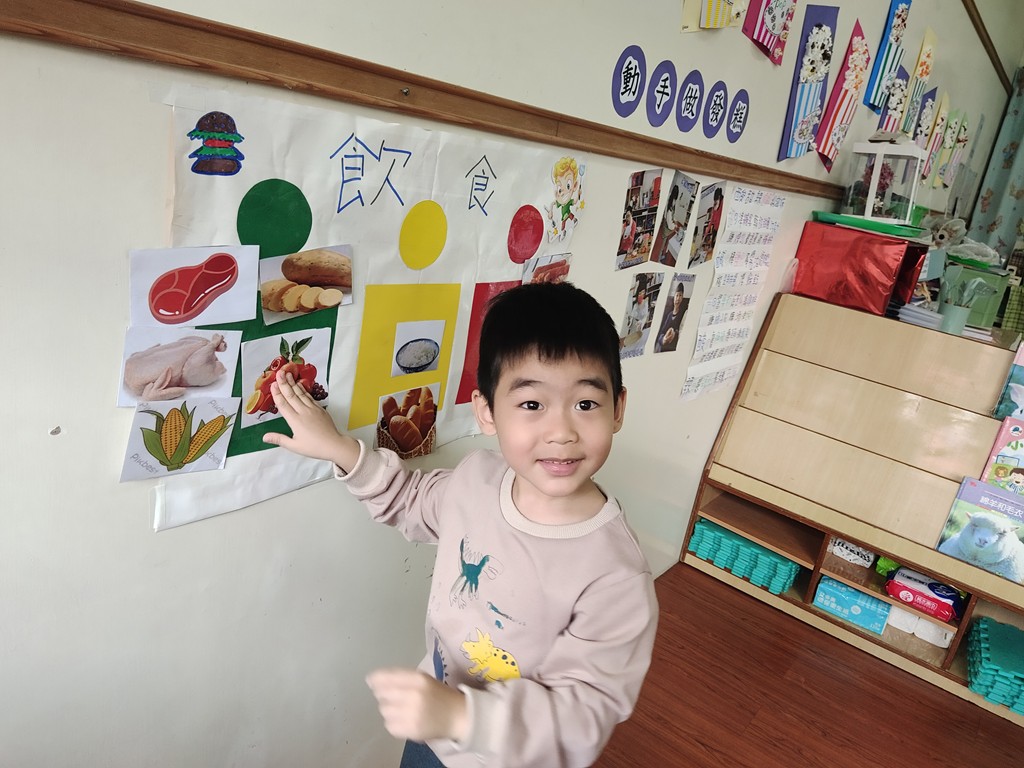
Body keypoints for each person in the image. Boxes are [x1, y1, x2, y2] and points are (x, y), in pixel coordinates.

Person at [263, 282, 658, 768]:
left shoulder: (616, 576)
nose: (562, 432)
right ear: (487, 412)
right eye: (532, 404)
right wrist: (338, 449)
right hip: (432, 726)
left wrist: (462, 717)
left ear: (618, 408)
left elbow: (582, 718)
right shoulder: (476, 480)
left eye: (586, 404)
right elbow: (408, 498)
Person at [655, 281, 688, 353]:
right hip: (663, 348)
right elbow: (661, 333)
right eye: (677, 295)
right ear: (674, 297)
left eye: (680, 295)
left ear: (682, 297)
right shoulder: (669, 315)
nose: (678, 298)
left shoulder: (683, 314)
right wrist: (663, 339)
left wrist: (674, 334)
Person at [654, 184, 682, 266]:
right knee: (663, 244)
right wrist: (674, 226)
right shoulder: (670, 205)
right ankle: (658, 259)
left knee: (666, 242)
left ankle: (662, 256)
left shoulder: (671, 200)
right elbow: (669, 223)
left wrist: (674, 221)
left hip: (667, 224)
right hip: (667, 226)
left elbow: (671, 216)